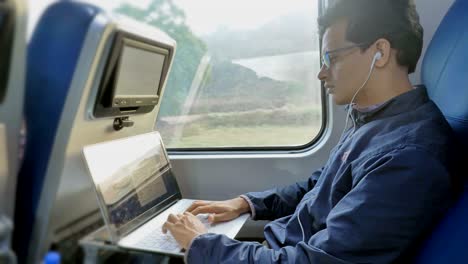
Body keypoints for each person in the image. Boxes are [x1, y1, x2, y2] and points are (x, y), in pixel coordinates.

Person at [162, 0, 459, 263]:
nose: (321, 72)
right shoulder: (376, 121)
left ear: (379, 53)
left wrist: (203, 245)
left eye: (332, 58)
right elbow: (321, 185)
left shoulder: (407, 158)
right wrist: (244, 203)